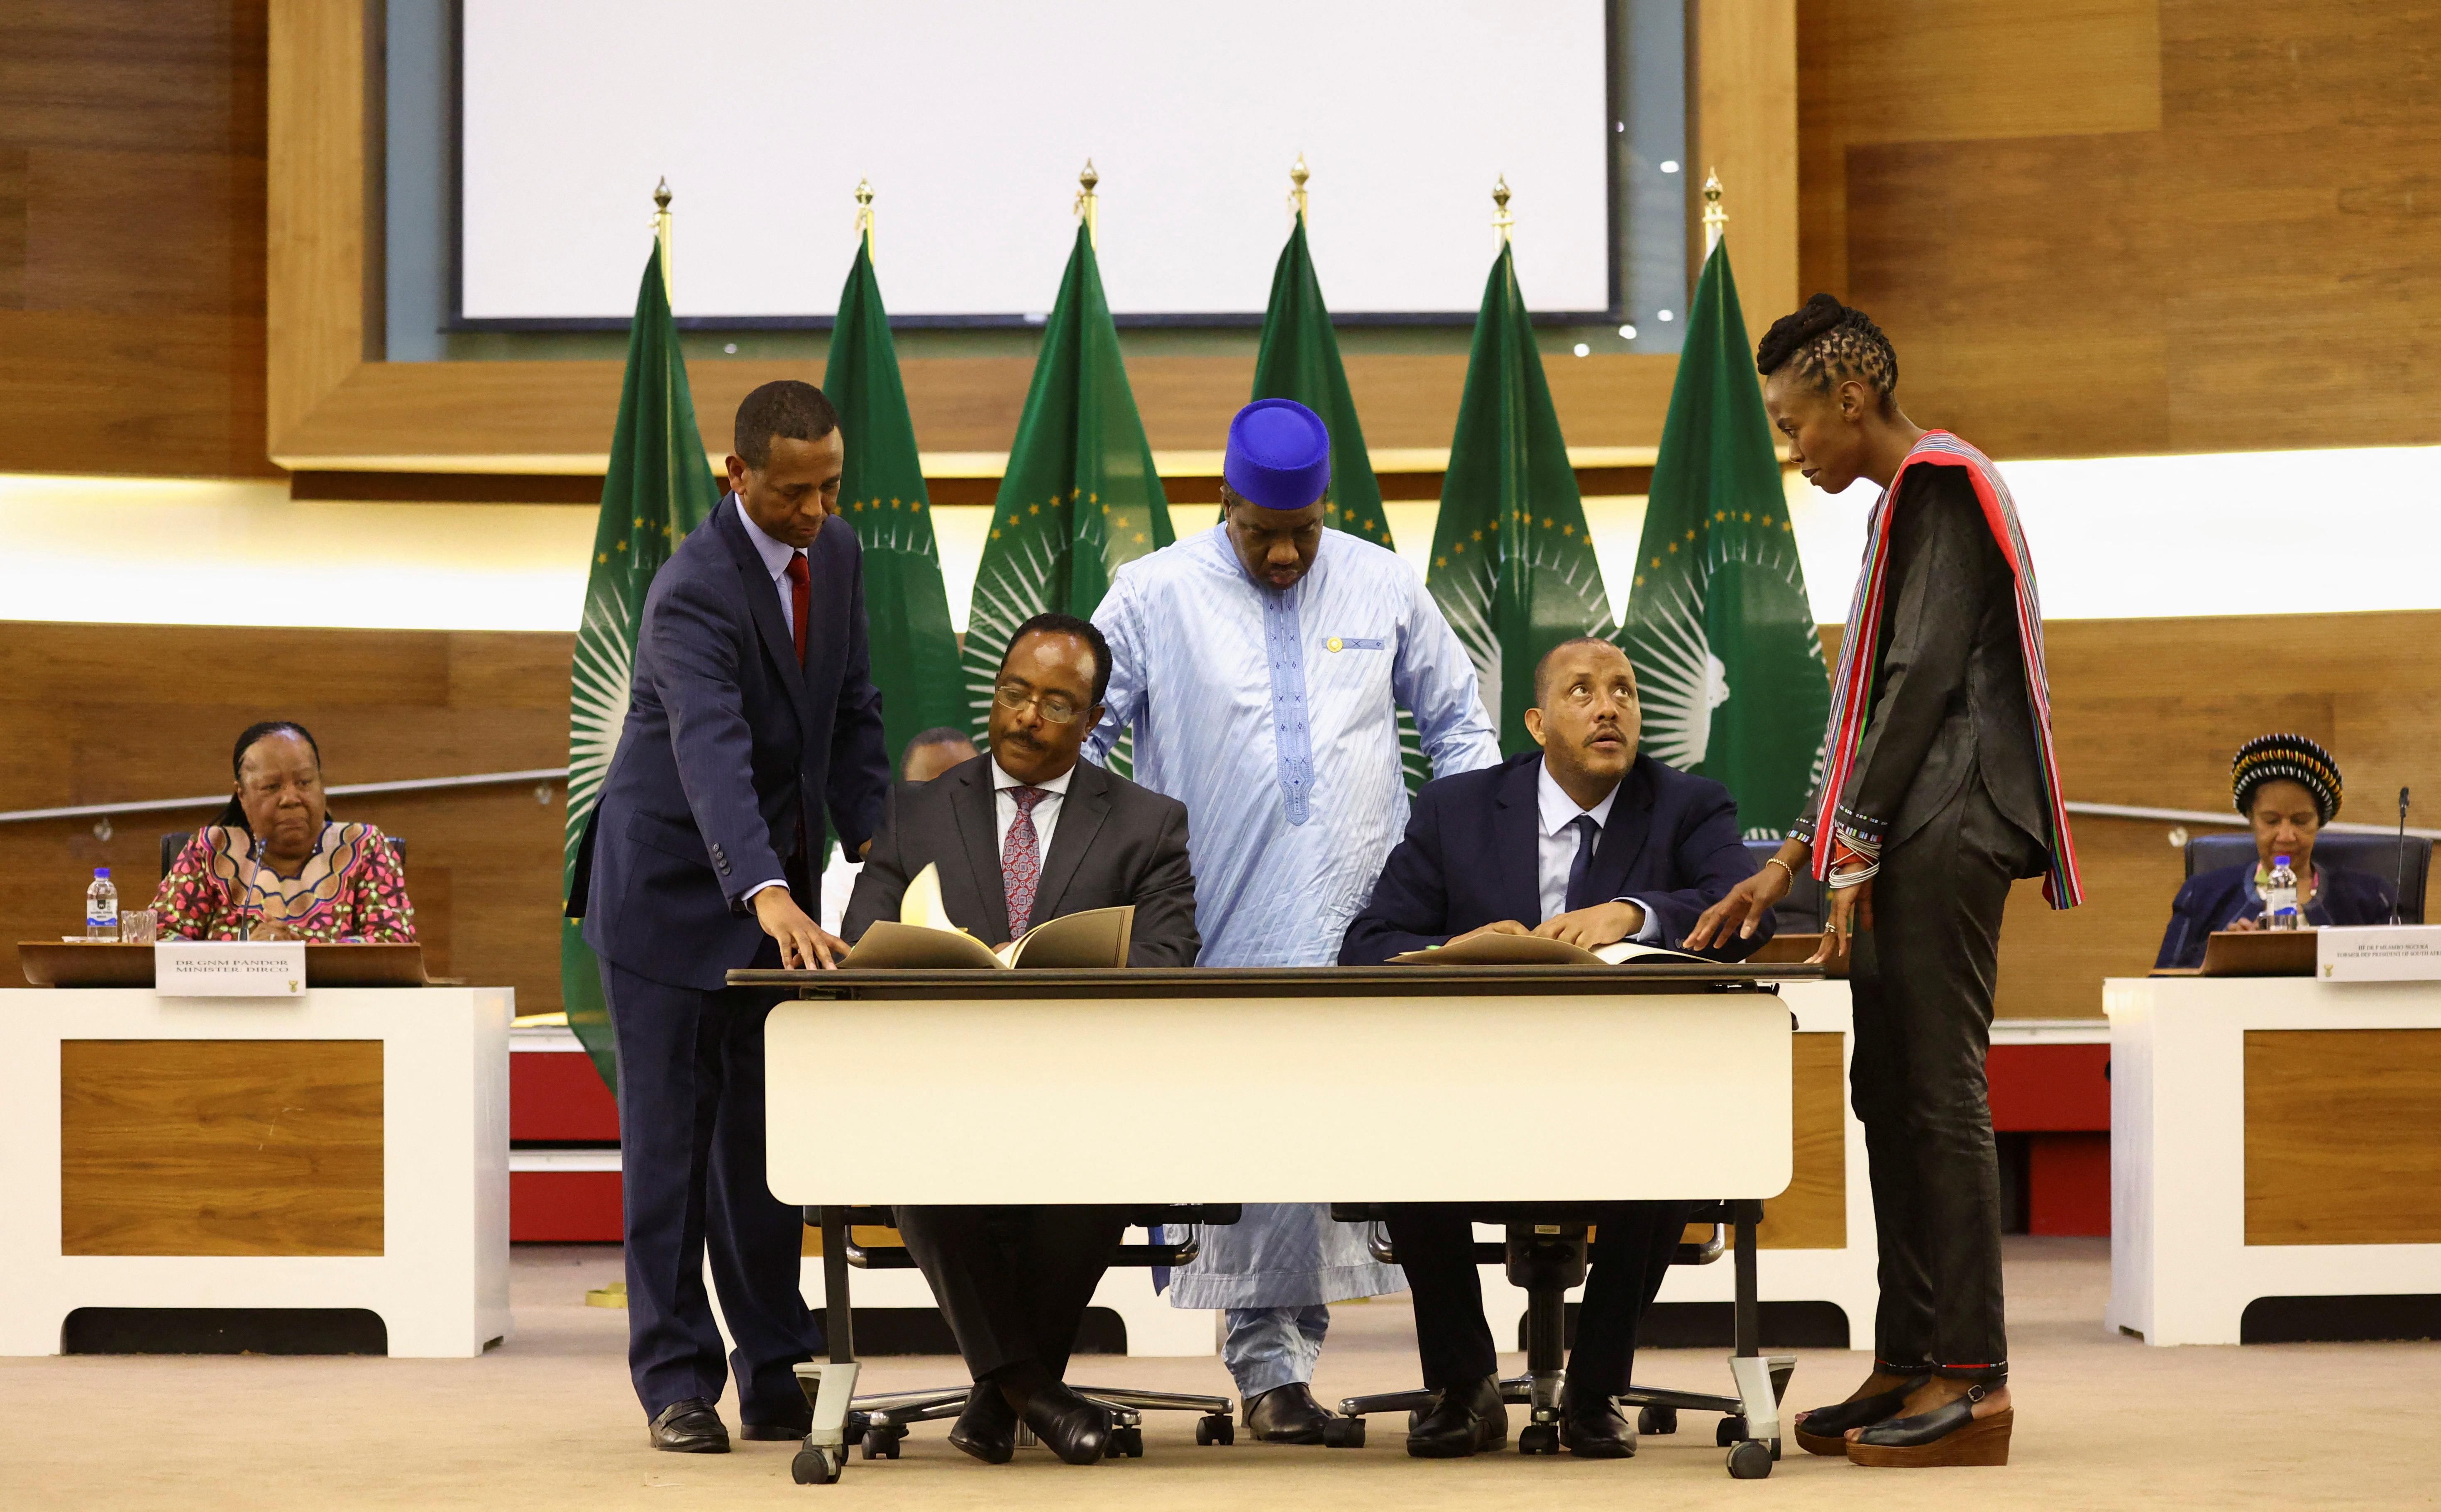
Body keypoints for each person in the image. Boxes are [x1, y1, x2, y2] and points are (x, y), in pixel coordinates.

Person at [1686, 296, 2081, 1469]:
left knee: (1939, 1092)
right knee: (1889, 1090)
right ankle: (1913, 1353)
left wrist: (1848, 848)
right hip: (1911, 820)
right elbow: (1857, 702)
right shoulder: (1895, 511)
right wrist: (1796, 859)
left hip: (1948, 818)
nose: (1789, 445)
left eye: (1792, 418)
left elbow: (1912, 689)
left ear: (1848, 395)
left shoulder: (1944, 485)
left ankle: (1975, 1377)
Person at [1086, 397, 1502, 1441]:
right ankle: (1269, 1372)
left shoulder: (1381, 579)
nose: (1283, 553)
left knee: (1395, 1147)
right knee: (1255, 1142)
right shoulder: (1151, 594)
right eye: (1260, 532)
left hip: (1375, 921)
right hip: (1213, 915)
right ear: (1220, 500)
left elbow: (1460, 727)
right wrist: (1114, 888)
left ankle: (1452, 1378)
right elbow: (1080, 749)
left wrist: (1465, 872)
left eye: (1302, 531)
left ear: (1327, 509)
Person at [1342, 637, 1771, 1458]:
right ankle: (1463, 1387)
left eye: (1624, 691)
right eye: (1581, 692)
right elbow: (1368, 943)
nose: (1608, 706)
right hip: (1475, 1090)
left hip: (1624, 1089)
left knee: (1667, 1143)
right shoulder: (1457, 810)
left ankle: (1596, 1389)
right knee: (1401, 1128)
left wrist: (1636, 913)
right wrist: (1459, 946)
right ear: (1539, 723)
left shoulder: (1687, 805)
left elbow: (1746, 909)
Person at [567, 380, 891, 1454]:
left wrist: (893, 852)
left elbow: (851, 714)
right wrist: (765, 891)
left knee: (763, 1146)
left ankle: (773, 1365)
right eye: (794, 491)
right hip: (669, 899)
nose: (815, 510)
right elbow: (711, 754)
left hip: (774, 904)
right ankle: (675, 1377)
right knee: (671, 1148)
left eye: (831, 487)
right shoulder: (691, 589)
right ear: (735, 474)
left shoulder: (836, 556)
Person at [843, 613, 1199, 1466]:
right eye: (1014, 693)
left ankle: (998, 1396)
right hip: (942, 1088)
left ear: (1093, 717)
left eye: (1056, 703)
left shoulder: (1148, 824)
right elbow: (863, 943)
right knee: (919, 1168)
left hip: (1083, 1088)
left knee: (1101, 1159)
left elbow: (1166, 959)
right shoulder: (916, 811)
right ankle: (1031, 1390)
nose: (1028, 716)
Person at [152, 720, 414, 943]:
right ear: (242, 796)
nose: (291, 798)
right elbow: (159, 938)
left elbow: (392, 942)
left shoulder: (363, 847)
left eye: (304, 782)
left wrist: (296, 957)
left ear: (322, 785)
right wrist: (240, 958)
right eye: (271, 787)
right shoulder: (211, 850)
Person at [2155, 734, 2394, 968]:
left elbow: (2402, 983)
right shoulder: (2201, 895)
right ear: (2251, 819)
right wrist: (2221, 955)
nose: (2286, 836)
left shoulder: (2372, 898)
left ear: (2319, 822)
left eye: (2301, 821)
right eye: (2271, 821)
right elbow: (2162, 987)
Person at [818, 727, 978, 936]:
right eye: (933, 790)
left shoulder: (1015, 845)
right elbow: (836, 945)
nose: (951, 803)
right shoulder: (859, 863)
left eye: (965, 787)